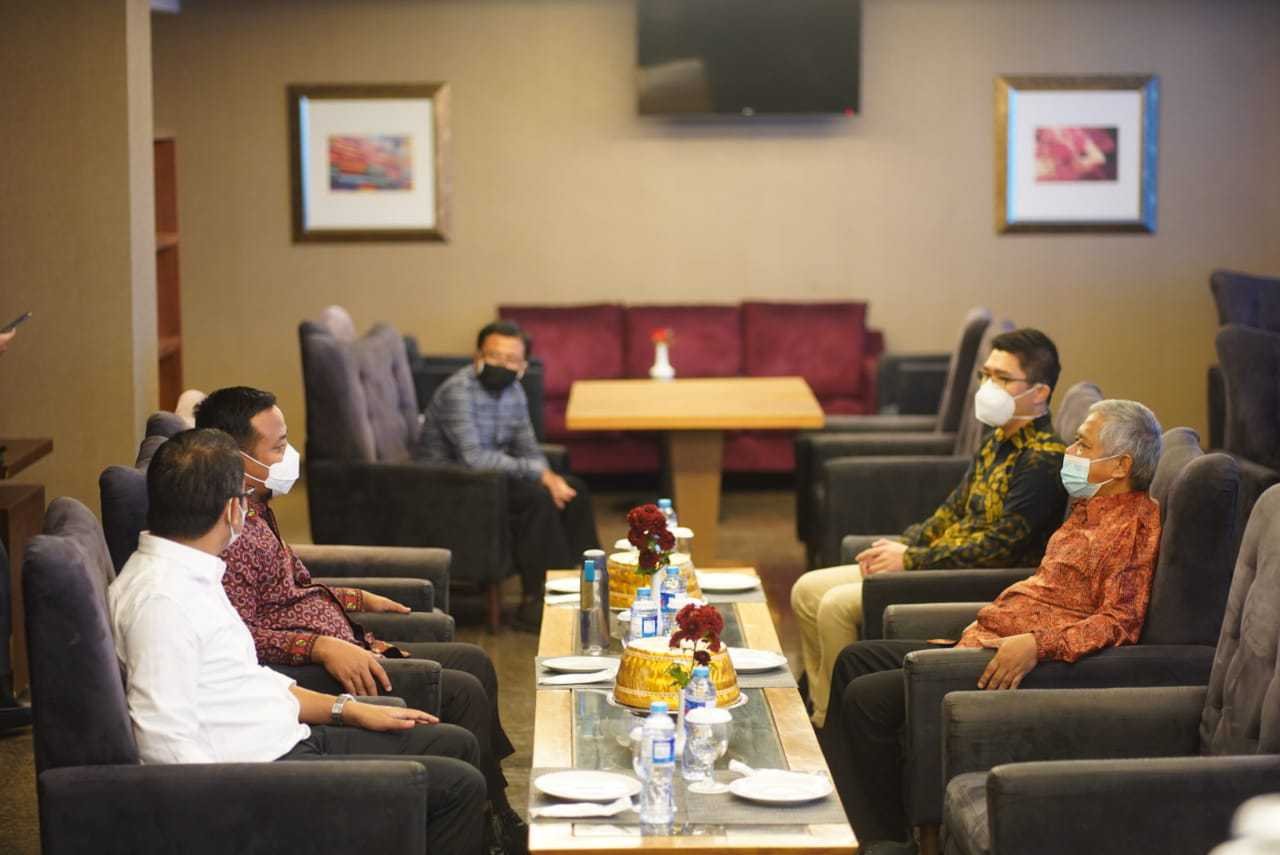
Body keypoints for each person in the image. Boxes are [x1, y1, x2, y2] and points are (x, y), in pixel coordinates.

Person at [109, 429, 486, 854]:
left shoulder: (194, 570)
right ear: (233, 509)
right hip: (266, 775)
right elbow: (165, 744)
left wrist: (348, 709)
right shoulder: (161, 600)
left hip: (290, 735)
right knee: (459, 787)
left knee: (456, 744)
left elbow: (247, 678)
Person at [194, 387, 525, 854]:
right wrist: (319, 647)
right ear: (237, 459)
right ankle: (490, 828)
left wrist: (355, 597)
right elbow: (241, 637)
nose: (291, 457)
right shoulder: (229, 534)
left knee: (474, 661)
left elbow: (292, 590)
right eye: (279, 447)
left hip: (351, 643)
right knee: (463, 689)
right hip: (318, 671)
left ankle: (497, 812)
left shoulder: (257, 507)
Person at [825, 399, 1164, 852]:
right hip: (982, 636)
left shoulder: (1131, 527)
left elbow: (1120, 621)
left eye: (1083, 445)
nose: (1070, 451)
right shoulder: (1088, 507)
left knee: (866, 699)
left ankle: (880, 840)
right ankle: (840, 823)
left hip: (1006, 663)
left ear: (1121, 465)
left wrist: (1038, 644)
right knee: (854, 659)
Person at [791, 329, 1068, 726]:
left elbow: (999, 548)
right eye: (986, 375)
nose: (989, 387)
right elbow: (953, 509)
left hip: (970, 580)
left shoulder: (1042, 461)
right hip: (935, 560)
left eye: (1003, 379)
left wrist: (912, 560)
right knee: (806, 590)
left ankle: (830, 724)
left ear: (1039, 392)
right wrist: (905, 545)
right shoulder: (999, 439)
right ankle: (819, 710)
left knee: (835, 606)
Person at [420, 320, 601, 631]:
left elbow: (527, 446)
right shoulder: (457, 392)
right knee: (537, 498)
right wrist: (539, 474)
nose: (502, 365)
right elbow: (474, 459)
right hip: (452, 487)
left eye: (511, 359)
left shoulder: (514, 391)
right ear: (478, 356)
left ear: (523, 366)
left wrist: (548, 474)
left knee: (573, 490)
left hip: (493, 480)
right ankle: (539, 600)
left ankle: (584, 585)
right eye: (494, 356)